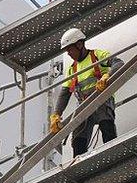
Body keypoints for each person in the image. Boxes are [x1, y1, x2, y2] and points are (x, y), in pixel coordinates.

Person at [50, 27, 125, 156]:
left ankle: (112, 154)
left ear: (79, 44)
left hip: (101, 99)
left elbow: (118, 63)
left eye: (70, 49)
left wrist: (108, 76)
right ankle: (78, 164)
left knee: (107, 128)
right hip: (84, 105)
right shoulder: (72, 69)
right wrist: (56, 114)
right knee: (78, 138)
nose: (68, 53)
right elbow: (65, 93)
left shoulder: (97, 56)